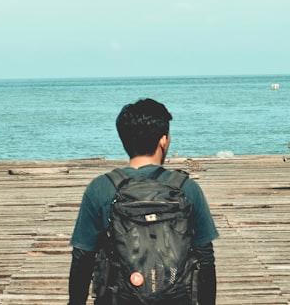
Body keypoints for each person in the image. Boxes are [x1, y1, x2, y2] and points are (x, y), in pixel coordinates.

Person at [68, 98, 218, 305]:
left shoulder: (101, 188)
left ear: (124, 139)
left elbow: (82, 258)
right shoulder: (186, 188)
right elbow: (205, 258)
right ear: (163, 141)